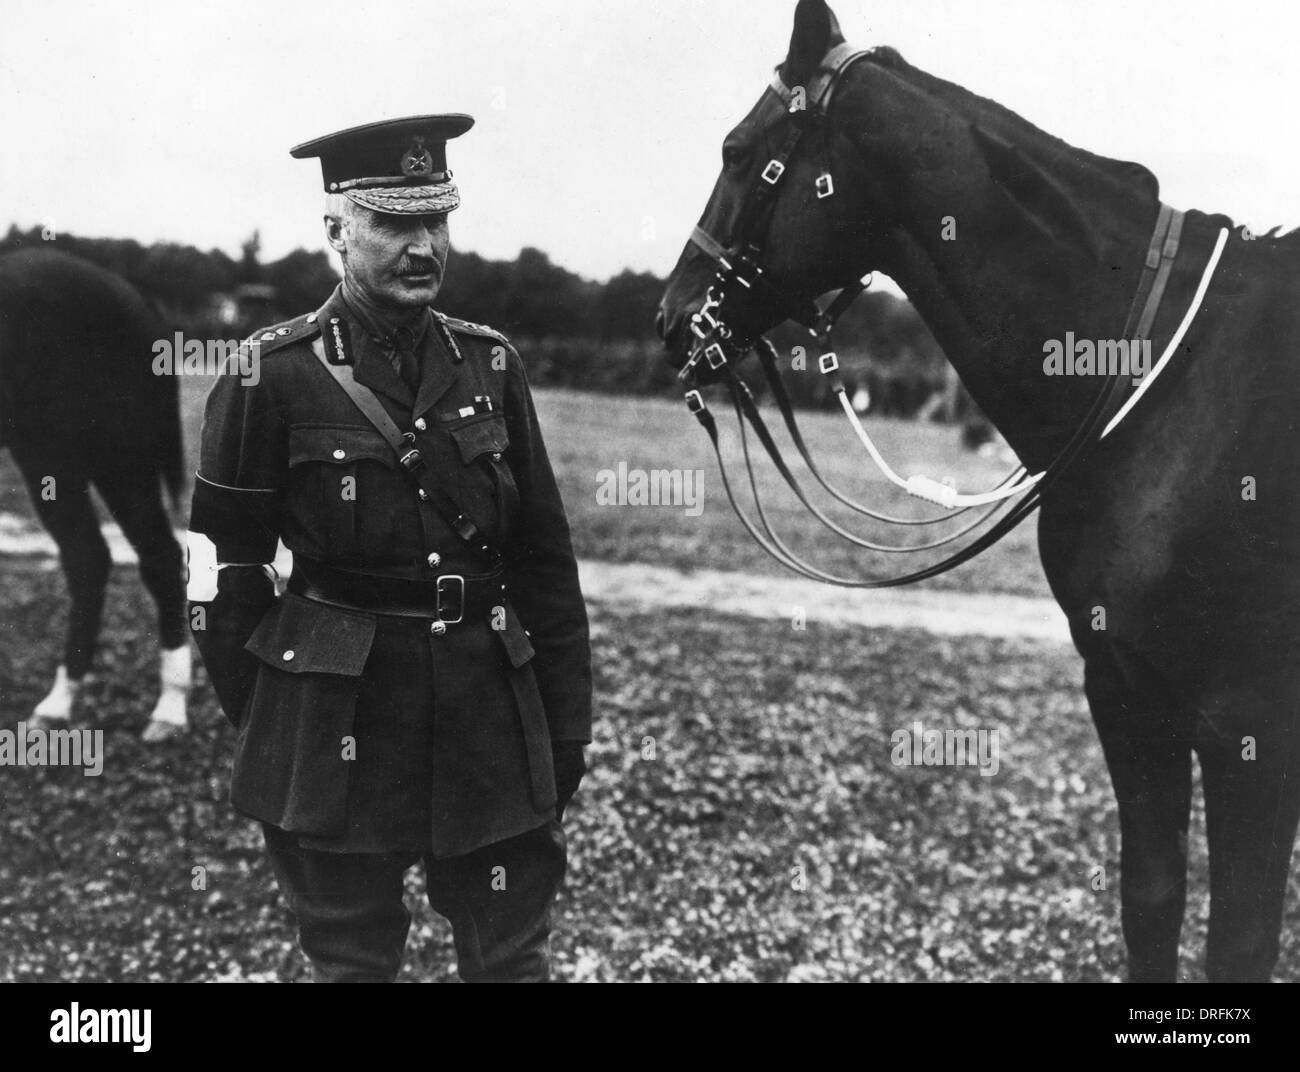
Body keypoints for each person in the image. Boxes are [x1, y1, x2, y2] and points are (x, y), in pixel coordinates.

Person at [187, 113, 592, 983]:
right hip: (338, 725)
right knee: (352, 961)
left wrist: (566, 726)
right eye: (396, 223)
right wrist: (271, 715)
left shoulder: (489, 366)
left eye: (437, 220)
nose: (424, 247)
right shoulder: (273, 371)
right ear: (337, 230)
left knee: (512, 957)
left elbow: (544, 565)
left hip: (488, 713)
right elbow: (218, 571)